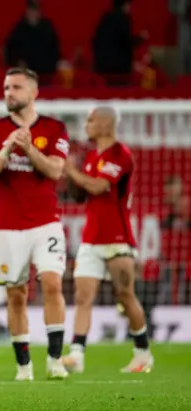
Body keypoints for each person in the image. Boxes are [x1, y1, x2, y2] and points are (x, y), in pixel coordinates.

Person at [0, 68, 70, 381]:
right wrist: (6, 150)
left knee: (53, 284)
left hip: (46, 224)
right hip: (9, 227)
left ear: (33, 92)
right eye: (5, 88)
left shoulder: (55, 128)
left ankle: (55, 361)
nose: (8, 93)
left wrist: (29, 148)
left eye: (15, 87)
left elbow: (56, 171)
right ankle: (24, 367)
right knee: (16, 294)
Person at [61, 106, 154, 373]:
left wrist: (73, 170)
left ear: (105, 124)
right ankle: (77, 354)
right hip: (91, 237)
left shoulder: (120, 155)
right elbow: (81, 196)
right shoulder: (91, 156)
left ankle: (143, 352)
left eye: (91, 120)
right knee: (82, 296)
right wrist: (69, 175)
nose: (87, 125)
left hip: (117, 239)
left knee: (125, 295)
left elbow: (100, 187)